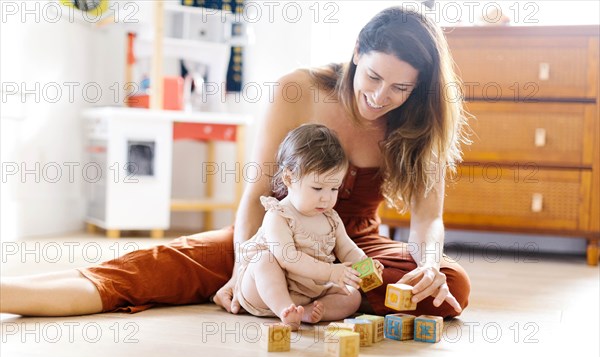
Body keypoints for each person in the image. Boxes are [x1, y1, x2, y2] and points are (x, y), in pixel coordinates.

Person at [0, 7, 470, 318]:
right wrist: (245, 264)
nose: (379, 96)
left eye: (400, 89)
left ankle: (302, 294)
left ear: (419, 88)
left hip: (350, 245)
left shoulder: (419, 123)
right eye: (373, 76)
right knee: (151, 269)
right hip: (273, 233)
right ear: (355, 55)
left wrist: (426, 263)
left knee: (449, 284)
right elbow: (256, 190)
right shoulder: (298, 89)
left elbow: (428, 218)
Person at [234, 124, 384, 330]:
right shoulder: (278, 215)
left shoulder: (331, 218)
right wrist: (331, 272)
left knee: (352, 296)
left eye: (334, 188)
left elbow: (347, 248)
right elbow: (288, 258)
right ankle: (284, 310)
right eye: (317, 188)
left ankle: (307, 312)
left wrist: (365, 265)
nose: (327, 197)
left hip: (310, 292)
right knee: (264, 261)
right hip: (263, 292)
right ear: (289, 178)